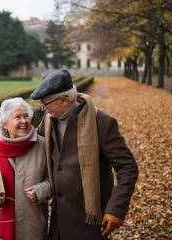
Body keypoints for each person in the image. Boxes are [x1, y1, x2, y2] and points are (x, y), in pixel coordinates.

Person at [30, 69, 139, 240]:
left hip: (89, 224)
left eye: (46, 103)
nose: (43, 108)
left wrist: (116, 209)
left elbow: (128, 168)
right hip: (59, 221)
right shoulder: (48, 119)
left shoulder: (101, 122)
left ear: (64, 100)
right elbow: (33, 142)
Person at [0, 97, 51, 240]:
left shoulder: (42, 146)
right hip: (1, 228)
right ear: (4, 124)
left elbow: (56, 181)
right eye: (17, 117)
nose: (24, 121)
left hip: (32, 227)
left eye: (26, 116)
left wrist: (40, 191)